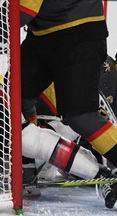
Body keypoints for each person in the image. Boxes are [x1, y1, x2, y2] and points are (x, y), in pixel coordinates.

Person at [20, 0, 117, 209]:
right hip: (41, 36)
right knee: (15, 97)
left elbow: (24, 10)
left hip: (79, 31)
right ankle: (26, 172)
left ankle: (102, 168)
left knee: (81, 116)